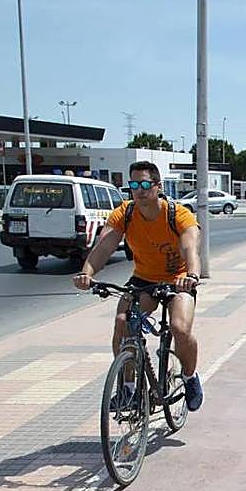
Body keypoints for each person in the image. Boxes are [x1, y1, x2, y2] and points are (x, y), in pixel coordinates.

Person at [71, 160, 205, 411]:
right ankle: (128, 389)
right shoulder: (126, 213)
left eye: (145, 184)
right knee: (123, 323)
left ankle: (189, 377)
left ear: (158, 186)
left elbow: (190, 248)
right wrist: (86, 273)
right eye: (134, 185)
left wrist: (192, 276)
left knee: (179, 328)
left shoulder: (177, 214)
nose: (139, 190)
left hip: (179, 280)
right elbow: (105, 246)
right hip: (143, 280)